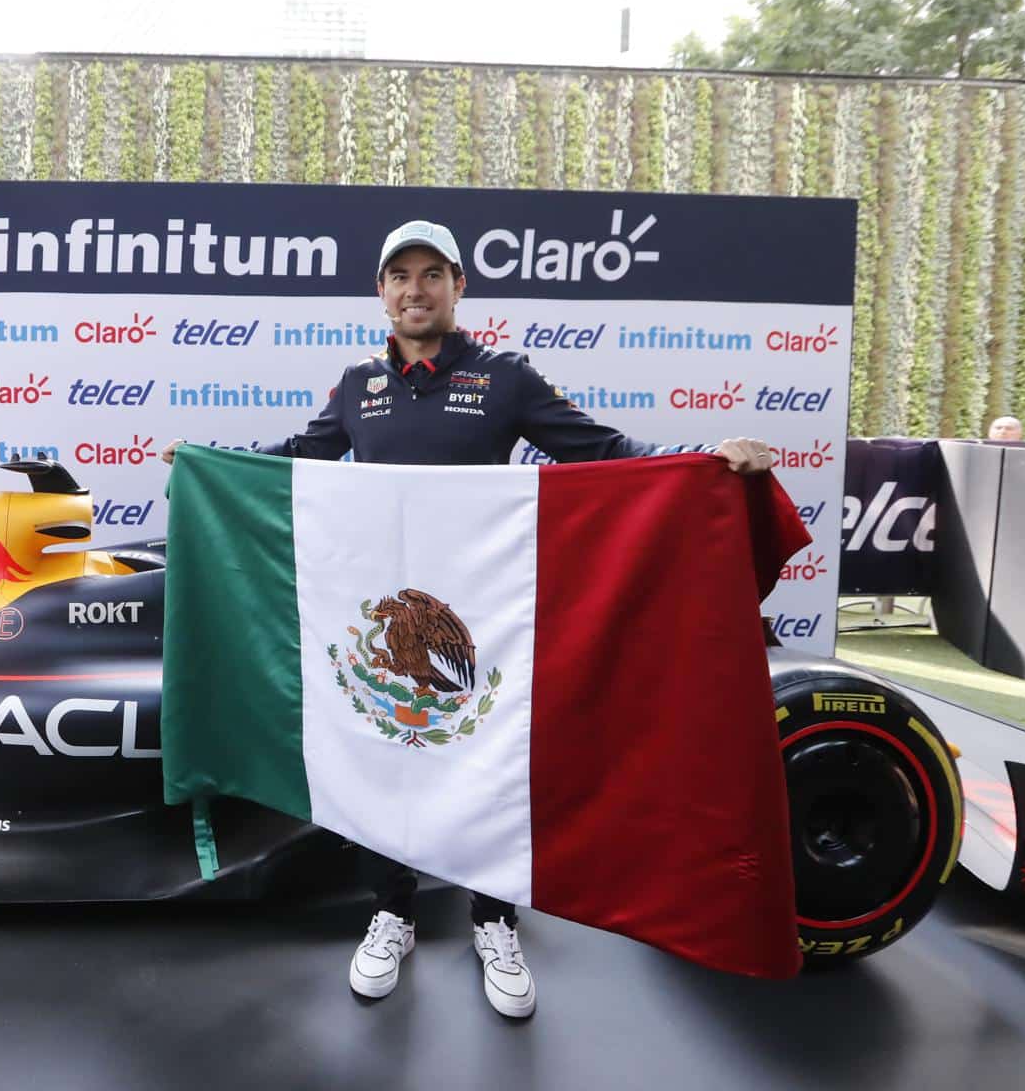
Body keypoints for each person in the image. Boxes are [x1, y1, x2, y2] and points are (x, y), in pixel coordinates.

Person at [162, 219, 775, 1018]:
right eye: (399, 277)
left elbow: (601, 449)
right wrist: (209, 466)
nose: (415, 290)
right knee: (384, 757)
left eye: (431, 275)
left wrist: (703, 463)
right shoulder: (356, 384)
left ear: (458, 287)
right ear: (380, 293)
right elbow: (299, 460)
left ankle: (494, 919)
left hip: (483, 619)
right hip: (385, 621)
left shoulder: (505, 376)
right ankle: (392, 911)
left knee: (487, 762)